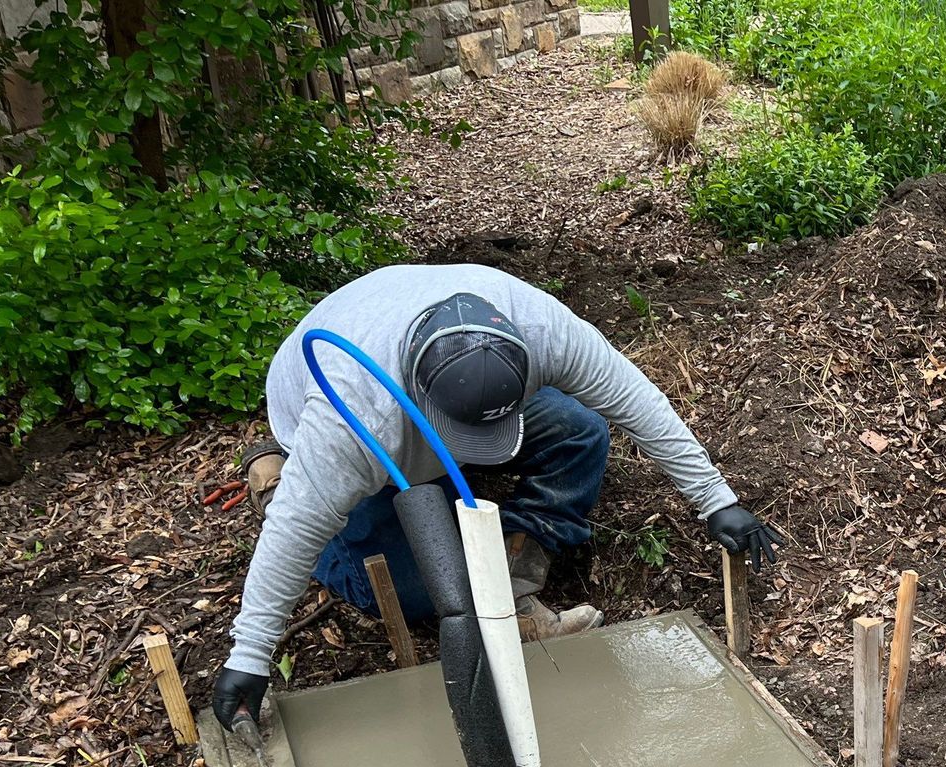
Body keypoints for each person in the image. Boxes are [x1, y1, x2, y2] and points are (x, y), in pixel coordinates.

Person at [209, 263, 780, 734]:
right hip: (347, 408)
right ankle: (277, 474)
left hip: (448, 389)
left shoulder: (538, 328)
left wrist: (715, 498)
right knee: (416, 589)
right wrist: (250, 656)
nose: (478, 454)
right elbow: (293, 535)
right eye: (465, 445)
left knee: (581, 431)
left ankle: (513, 573)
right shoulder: (353, 422)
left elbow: (634, 399)